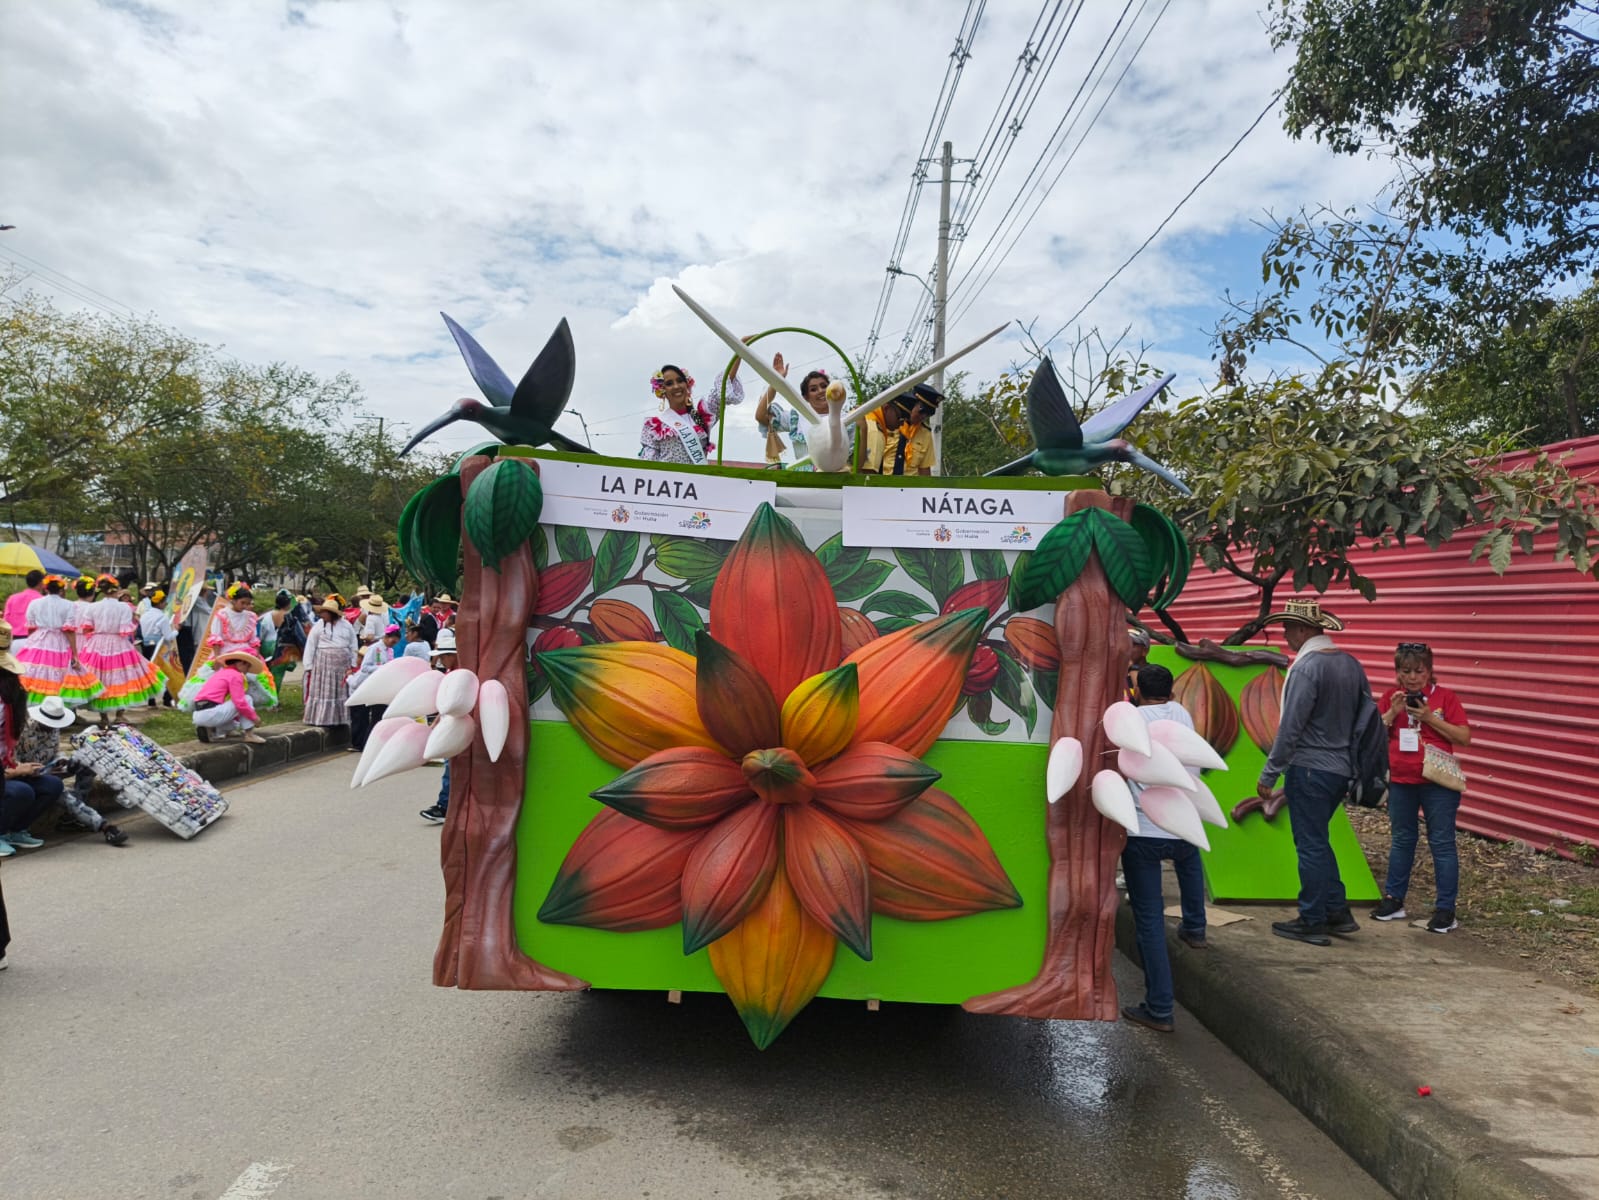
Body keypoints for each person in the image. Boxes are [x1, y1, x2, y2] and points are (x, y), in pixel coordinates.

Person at [1256, 599, 1372, 946]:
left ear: (1304, 629)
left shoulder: (1307, 668)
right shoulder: (1351, 664)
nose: (1285, 634)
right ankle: (1337, 910)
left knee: (1309, 845)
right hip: (1340, 769)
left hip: (1309, 768)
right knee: (1319, 841)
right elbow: (1364, 720)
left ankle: (1312, 918)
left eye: (1289, 628)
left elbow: (1290, 727)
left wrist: (1270, 772)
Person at [1120, 663, 1209, 1033]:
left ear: (1137, 691)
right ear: (1171, 693)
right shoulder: (1181, 713)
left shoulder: (1130, 718)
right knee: (1190, 861)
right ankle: (1195, 927)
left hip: (1142, 829)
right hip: (1181, 819)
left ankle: (1159, 1009)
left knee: (1150, 922)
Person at [1373, 642, 1472, 933]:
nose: (1413, 677)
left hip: (1437, 782)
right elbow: (1373, 735)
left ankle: (1445, 910)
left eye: (1419, 671)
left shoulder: (1445, 698)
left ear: (1429, 671)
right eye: (1407, 671)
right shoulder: (1391, 697)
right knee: (1402, 839)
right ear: (1397, 673)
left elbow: (1464, 737)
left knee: (1441, 843)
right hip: (1403, 780)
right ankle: (1394, 899)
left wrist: (1429, 717)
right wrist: (1392, 713)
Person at [21, 695, 128, 846]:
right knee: (64, 795)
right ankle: (104, 826)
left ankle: (71, 817)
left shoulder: (54, 729)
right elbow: (17, 765)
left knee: (87, 761)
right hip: (31, 775)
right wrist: (44, 773)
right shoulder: (23, 731)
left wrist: (61, 760)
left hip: (49, 768)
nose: (52, 727)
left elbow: (54, 752)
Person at [78, 574, 166, 726]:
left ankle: (103, 717)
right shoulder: (124, 607)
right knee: (122, 677)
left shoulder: (93, 607)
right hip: (118, 643)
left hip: (97, 643)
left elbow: (87, 627)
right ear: (117, 590)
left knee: (100, 678)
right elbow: (126, 630)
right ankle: (119, 714)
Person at [638, 353, 747, 465]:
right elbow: (648, 465)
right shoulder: (654, 427)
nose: (676, 386)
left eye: (680, 381)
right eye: (669, 383)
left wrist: (739, 351)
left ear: (687, 385)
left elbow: (722, 389)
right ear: (662, 390)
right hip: (668, 481)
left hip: (696, 481)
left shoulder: (701, 416)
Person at [755, 354, 853, 470]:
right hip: (802, 480)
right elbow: (761, 416)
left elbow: (855, 462)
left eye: (824, 386)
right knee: (773, 470)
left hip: (837, 479)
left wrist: (864, 428)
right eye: (813, 389)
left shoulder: (847, 419)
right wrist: (776, 381)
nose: (821, 391)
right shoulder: (796, 419)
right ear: (806, 397)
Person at [16, 576, 100, 707]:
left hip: (38, 640)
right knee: (59, 674)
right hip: (59, 642)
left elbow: (31, 628)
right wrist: (75, 654)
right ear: (61, 590)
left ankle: (36, 709)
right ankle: (56, 709)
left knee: (36, 673)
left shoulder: (35, 603)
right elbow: (69, 631)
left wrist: (30, 643)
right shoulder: (68, 605)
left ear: (46, 588)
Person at [419, 629, 458, 824]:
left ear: (452, 655)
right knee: (450, 766)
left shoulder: (460, 674)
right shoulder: (452, 673)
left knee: (451, 766)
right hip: (450, 725)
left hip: (456, 728)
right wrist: (435, 724)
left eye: (443, 656)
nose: (441, 660)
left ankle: (444, 806)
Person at [302, 597, 357, 729]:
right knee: (324, 691)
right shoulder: (319, 626)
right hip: (324, 665)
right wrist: (308, 665)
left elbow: (353, 644)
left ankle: (340, 718)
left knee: (340, 691)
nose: (322, 615)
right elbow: (311, 645)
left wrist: (354, 664)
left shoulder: (346, 626)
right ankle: (321, 718)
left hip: (342, 665)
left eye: (324, 612)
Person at [190, 650, 266, 744]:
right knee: (247, 699)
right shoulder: (236, 675)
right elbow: (240, 702)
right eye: (248, 666)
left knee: (228, 703)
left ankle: (216, 730)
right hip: (211, 713)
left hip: (198, 713)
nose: (247, 670)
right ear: (242, 663)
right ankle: (249, 734)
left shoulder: (220, 673)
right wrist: (254, 718)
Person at [348, 625, 400, 751]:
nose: (393, 645)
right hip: (367, 684)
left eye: (395, 643)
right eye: (392, 641)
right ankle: (360, 744)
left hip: (380, 687)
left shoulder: (390, 651)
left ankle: (370, 744)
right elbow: (365, 667)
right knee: (362, 716)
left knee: (378, 716)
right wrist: (383, 668)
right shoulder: (374, 649)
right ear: (387, 637)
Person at [878, 383, 941, 476]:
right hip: (883, 484)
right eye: (922, 411)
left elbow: (924, 471)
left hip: (909, 488)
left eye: (928, 413)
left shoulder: (925, 434)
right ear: (912, 403)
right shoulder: (889, 423)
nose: (923, 416)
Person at [3, 569, 45, 654]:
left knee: (13, 666)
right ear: (41, 583)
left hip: (13, 641)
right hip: (34, 641)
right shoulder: (42, 600)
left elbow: (5, 621)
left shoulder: (13, 598)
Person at [179, 580, 216, 672]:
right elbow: (209, 611)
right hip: (195, 630)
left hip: (197, 628)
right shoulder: (197, 601)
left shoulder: (199, 601)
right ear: (203, 591)